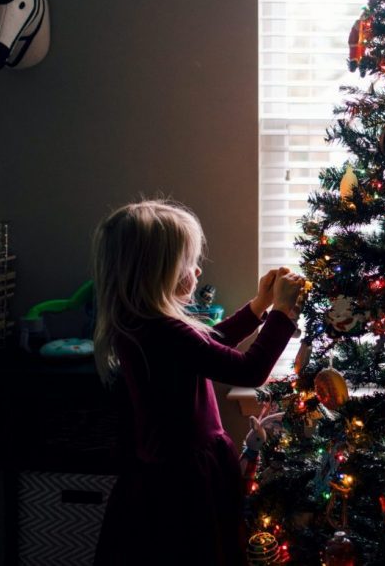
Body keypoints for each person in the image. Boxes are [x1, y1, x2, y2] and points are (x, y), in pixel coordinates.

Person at [91, 199, 305, 566]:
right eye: (188, 263)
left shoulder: (143, 324)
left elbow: (209, 346)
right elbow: (249, 371)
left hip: (166, 472)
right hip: (184, 481)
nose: (197, 269)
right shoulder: (164, 330)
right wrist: (283, 313)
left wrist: (258, 307)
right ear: (158, 272)